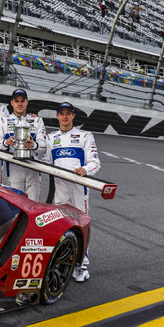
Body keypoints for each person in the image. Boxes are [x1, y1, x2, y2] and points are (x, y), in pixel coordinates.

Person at [43, 102, 101, 282]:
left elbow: (95, 163)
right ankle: (62, 259)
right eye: (62, 113)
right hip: (59, 187)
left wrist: (85, 169)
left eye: (68, 113)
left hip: (79, 187)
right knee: (60, 225)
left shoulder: (85, 136)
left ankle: (82, 264)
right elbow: (44, 161)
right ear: (57, 116)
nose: (65, 116)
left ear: (73, 116)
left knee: (81, 225)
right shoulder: (51, 138)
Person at [0, 89, 46, 201]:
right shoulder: (4, 120)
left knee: (33, 204)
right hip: (13, 167)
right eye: (17, 101)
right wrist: (6, 143)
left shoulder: (37, 120)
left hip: (33, 168)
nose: (19, 104)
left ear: (27, 102)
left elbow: (44, 145)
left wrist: (34, 145)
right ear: (12, 103)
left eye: (22, 101)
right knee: (14, 204)